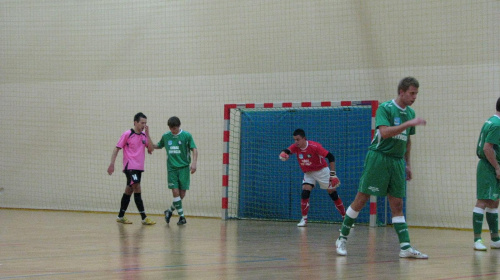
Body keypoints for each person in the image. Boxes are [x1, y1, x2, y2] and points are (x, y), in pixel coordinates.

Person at [335, 77, 428, 259]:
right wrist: (407, 124)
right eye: (412, 93)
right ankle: (342, 238)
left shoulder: (410, 113)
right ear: (401, 92)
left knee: (397, 204)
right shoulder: (386, 108)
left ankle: (405, 247)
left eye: (416, 93)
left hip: (396, 162)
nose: (414, 97)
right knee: (362, 199)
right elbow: (384, 133)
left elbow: (407, 141)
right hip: (379, 158)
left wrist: (407, 164)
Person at [279, 128, 346, 227]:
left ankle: (345, 218)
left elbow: (331, 157)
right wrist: (283, 154)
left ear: (304, 138)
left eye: (298, 139)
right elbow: (287, 150)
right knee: (305, 191)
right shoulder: (295, 147)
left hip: (322, 171)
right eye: (294, 140)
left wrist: (333, 175)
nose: (295, 142)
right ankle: (304, 219)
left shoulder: (315, 146)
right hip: (309, 173)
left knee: (333, 193)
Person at [107, 112, 156, 225]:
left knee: (129, 190)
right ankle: (144, 217)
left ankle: (120, 216)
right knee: (137, 187)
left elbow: (151, 149)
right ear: (135, 122)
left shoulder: (144, 136)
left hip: (139, 168)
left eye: (145, 123)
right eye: (142, 122)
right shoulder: (127, 134)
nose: (144, 125)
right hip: (130, 167)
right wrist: (112, 164)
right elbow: (116, 149)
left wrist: (148, 134)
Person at [153, 116, 198, 226]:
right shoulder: (166, 136)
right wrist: (147, 143)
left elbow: (194, 149)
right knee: (175, 192)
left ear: (179, 126)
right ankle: (182, 217)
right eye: (171, 128)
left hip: (184, 168)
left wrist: (194, 163)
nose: (173, 130)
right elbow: (157, 146)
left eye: (175, 128)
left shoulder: (186, 135)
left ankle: (169, 210)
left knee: (182, 194)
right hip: (172, 169)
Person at [472, 97, 500, 251]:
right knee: (482, 201)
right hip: (488, 166)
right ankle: (477, 239)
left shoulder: (491, 121)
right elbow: (487, 148)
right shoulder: (497, 125)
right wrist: (497, 167)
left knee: (494, 201)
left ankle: (495, 238)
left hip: (492, 165)